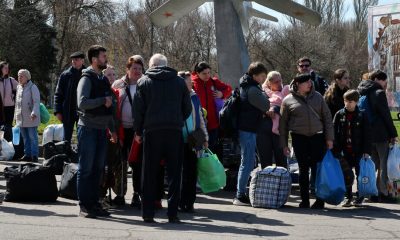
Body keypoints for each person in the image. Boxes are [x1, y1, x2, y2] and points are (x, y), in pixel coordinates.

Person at [133, 54, 191, 223]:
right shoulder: (179, 82)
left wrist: (138, 130)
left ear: (151, 66)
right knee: (174, 173)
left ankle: (148, 213)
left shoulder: (143, 82)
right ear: (166, 65)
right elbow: (187, 108)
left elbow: (138, 110)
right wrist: (177, 119)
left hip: (152, 131)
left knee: (149, 173)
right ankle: (173, 213)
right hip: (174, 130)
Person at [280, 74, 334, 209]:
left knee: (318, 169)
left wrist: (329, 138)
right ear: (298, 84)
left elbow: (327, 118)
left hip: (317, 137)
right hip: (299, 138)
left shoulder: (318, 97)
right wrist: (284, 144)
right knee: (303, 170)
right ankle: (304, 200)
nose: (310, 84)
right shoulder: (287, 101)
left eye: (310, 81)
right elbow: (283, 125)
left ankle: (320, 200)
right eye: (306, 82)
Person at [76, 45, 116, 218]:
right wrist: (102, 100)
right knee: (86, 169)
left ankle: (94, 203)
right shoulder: (86, 78)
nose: (105, 58)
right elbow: (82, 103)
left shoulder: (102, 79)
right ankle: (84, 205)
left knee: (98, 169)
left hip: (101, 130)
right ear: (94, 59)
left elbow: (109, 108)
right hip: (88, 129)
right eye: (102, 56)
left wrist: (113, 130)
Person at [357, 70, 398, 202]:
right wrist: (393, 133)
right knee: (383, 163)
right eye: (384, 81)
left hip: (367, 134)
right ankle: (383, 193)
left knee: (372, 164)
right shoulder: (379, 93)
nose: (385, 84)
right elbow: (386, 115)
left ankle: (371, 192)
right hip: (380, 134)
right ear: (378, 79)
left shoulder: (361, 90)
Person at [233, 62, 270, 206]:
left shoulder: (246, 86)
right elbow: (266, 105)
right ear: (254, 75)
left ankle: (240, 193)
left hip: (247, 128)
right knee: (247, 163)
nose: (263, 79)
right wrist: (265, 97)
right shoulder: (253, 90)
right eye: (262, 76)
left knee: (247, 162)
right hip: (248, 129)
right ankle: (240, 195)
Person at [112, 55, 144, 207]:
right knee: (121, 163)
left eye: (139, 68)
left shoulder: (145, 84)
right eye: (134, 68)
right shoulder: (118, 84)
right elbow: (112, 107)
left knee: (136, 163)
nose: (137, 71)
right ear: (127, 69)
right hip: (121, 129)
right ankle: (120, 193)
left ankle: (137, 194)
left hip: (138, 130)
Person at [333, 89, 371, 207]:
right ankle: (348, 196)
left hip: (359, 150)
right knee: (346, 174)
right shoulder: (339, 114)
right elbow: (334, 131)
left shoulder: (362, 115)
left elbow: (367, 134)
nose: (347, 104)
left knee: (360, 174)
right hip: (345, 150)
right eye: (345, 101)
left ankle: (360, 196)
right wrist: (335, 148)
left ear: (356, 102)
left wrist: (366, 151)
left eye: (350, 101)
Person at [178, 70, 208, 213]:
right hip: (179, 140)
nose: (191, 84)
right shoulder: (175, 98)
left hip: (194, 139)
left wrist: (205, 138)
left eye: (191, 81)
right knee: (181, 172)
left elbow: (200, 118)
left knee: (192, 172)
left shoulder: (195, 97)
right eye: (188, 82)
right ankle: (180, 201)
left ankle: (189, 202)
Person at [192, 62, 232, 151]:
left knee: (212, 148)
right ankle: (201, 165)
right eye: (204, 73)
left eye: (209, 73)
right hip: (197, 124)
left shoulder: (214, 81)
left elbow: (229, 88)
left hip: (213, 123)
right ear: (197, 73)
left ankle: (212, 165)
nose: (207, 75)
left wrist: (222, 94)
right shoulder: (192, 83)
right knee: (198, 149)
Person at [257, 71, 288, 168]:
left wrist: (275, 108)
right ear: (269, 83)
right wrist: (265, 110)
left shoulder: (285, 92)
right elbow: (255, 109)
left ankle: (283, 182)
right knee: (265, 160)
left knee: (281, 160)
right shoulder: (260, 92)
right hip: (263, 130)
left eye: (280, 81)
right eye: (276, 82)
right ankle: (267, 181)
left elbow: (288, 108)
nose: (279, 84)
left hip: (279, 131)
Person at [54, 51, 85, 146]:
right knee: (66, 138)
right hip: (68, 111)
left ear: (82, 61)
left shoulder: (88, 74)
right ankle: (65, 156)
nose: (74, 62)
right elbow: (58, 94)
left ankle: (81, 158)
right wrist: (58, 111)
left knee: (83, 137)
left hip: (83, 112)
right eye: (72, 60)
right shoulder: (65, 75)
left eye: (76, 60)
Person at [14, 69, 40, 162]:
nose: (19, 78)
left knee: (32, 137)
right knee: (25, 137)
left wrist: (34, 113)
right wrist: (15, 117)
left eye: (21, 76)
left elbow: (36, 102)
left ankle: (34, 155)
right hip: (20, 118)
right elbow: (17, 104)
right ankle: (27, 154)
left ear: (27, 77)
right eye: (18, 76)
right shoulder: (18, 87)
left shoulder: (33, 87)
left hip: (31, 117)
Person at [0, 61, 18, 141]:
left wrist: (13, 95)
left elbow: (20, 89)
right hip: (0, 108)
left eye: (8, 67)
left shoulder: (11, 80)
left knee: (8, 126)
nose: (7, 69)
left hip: (10, 107)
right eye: (5, 67)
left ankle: (9, 144)